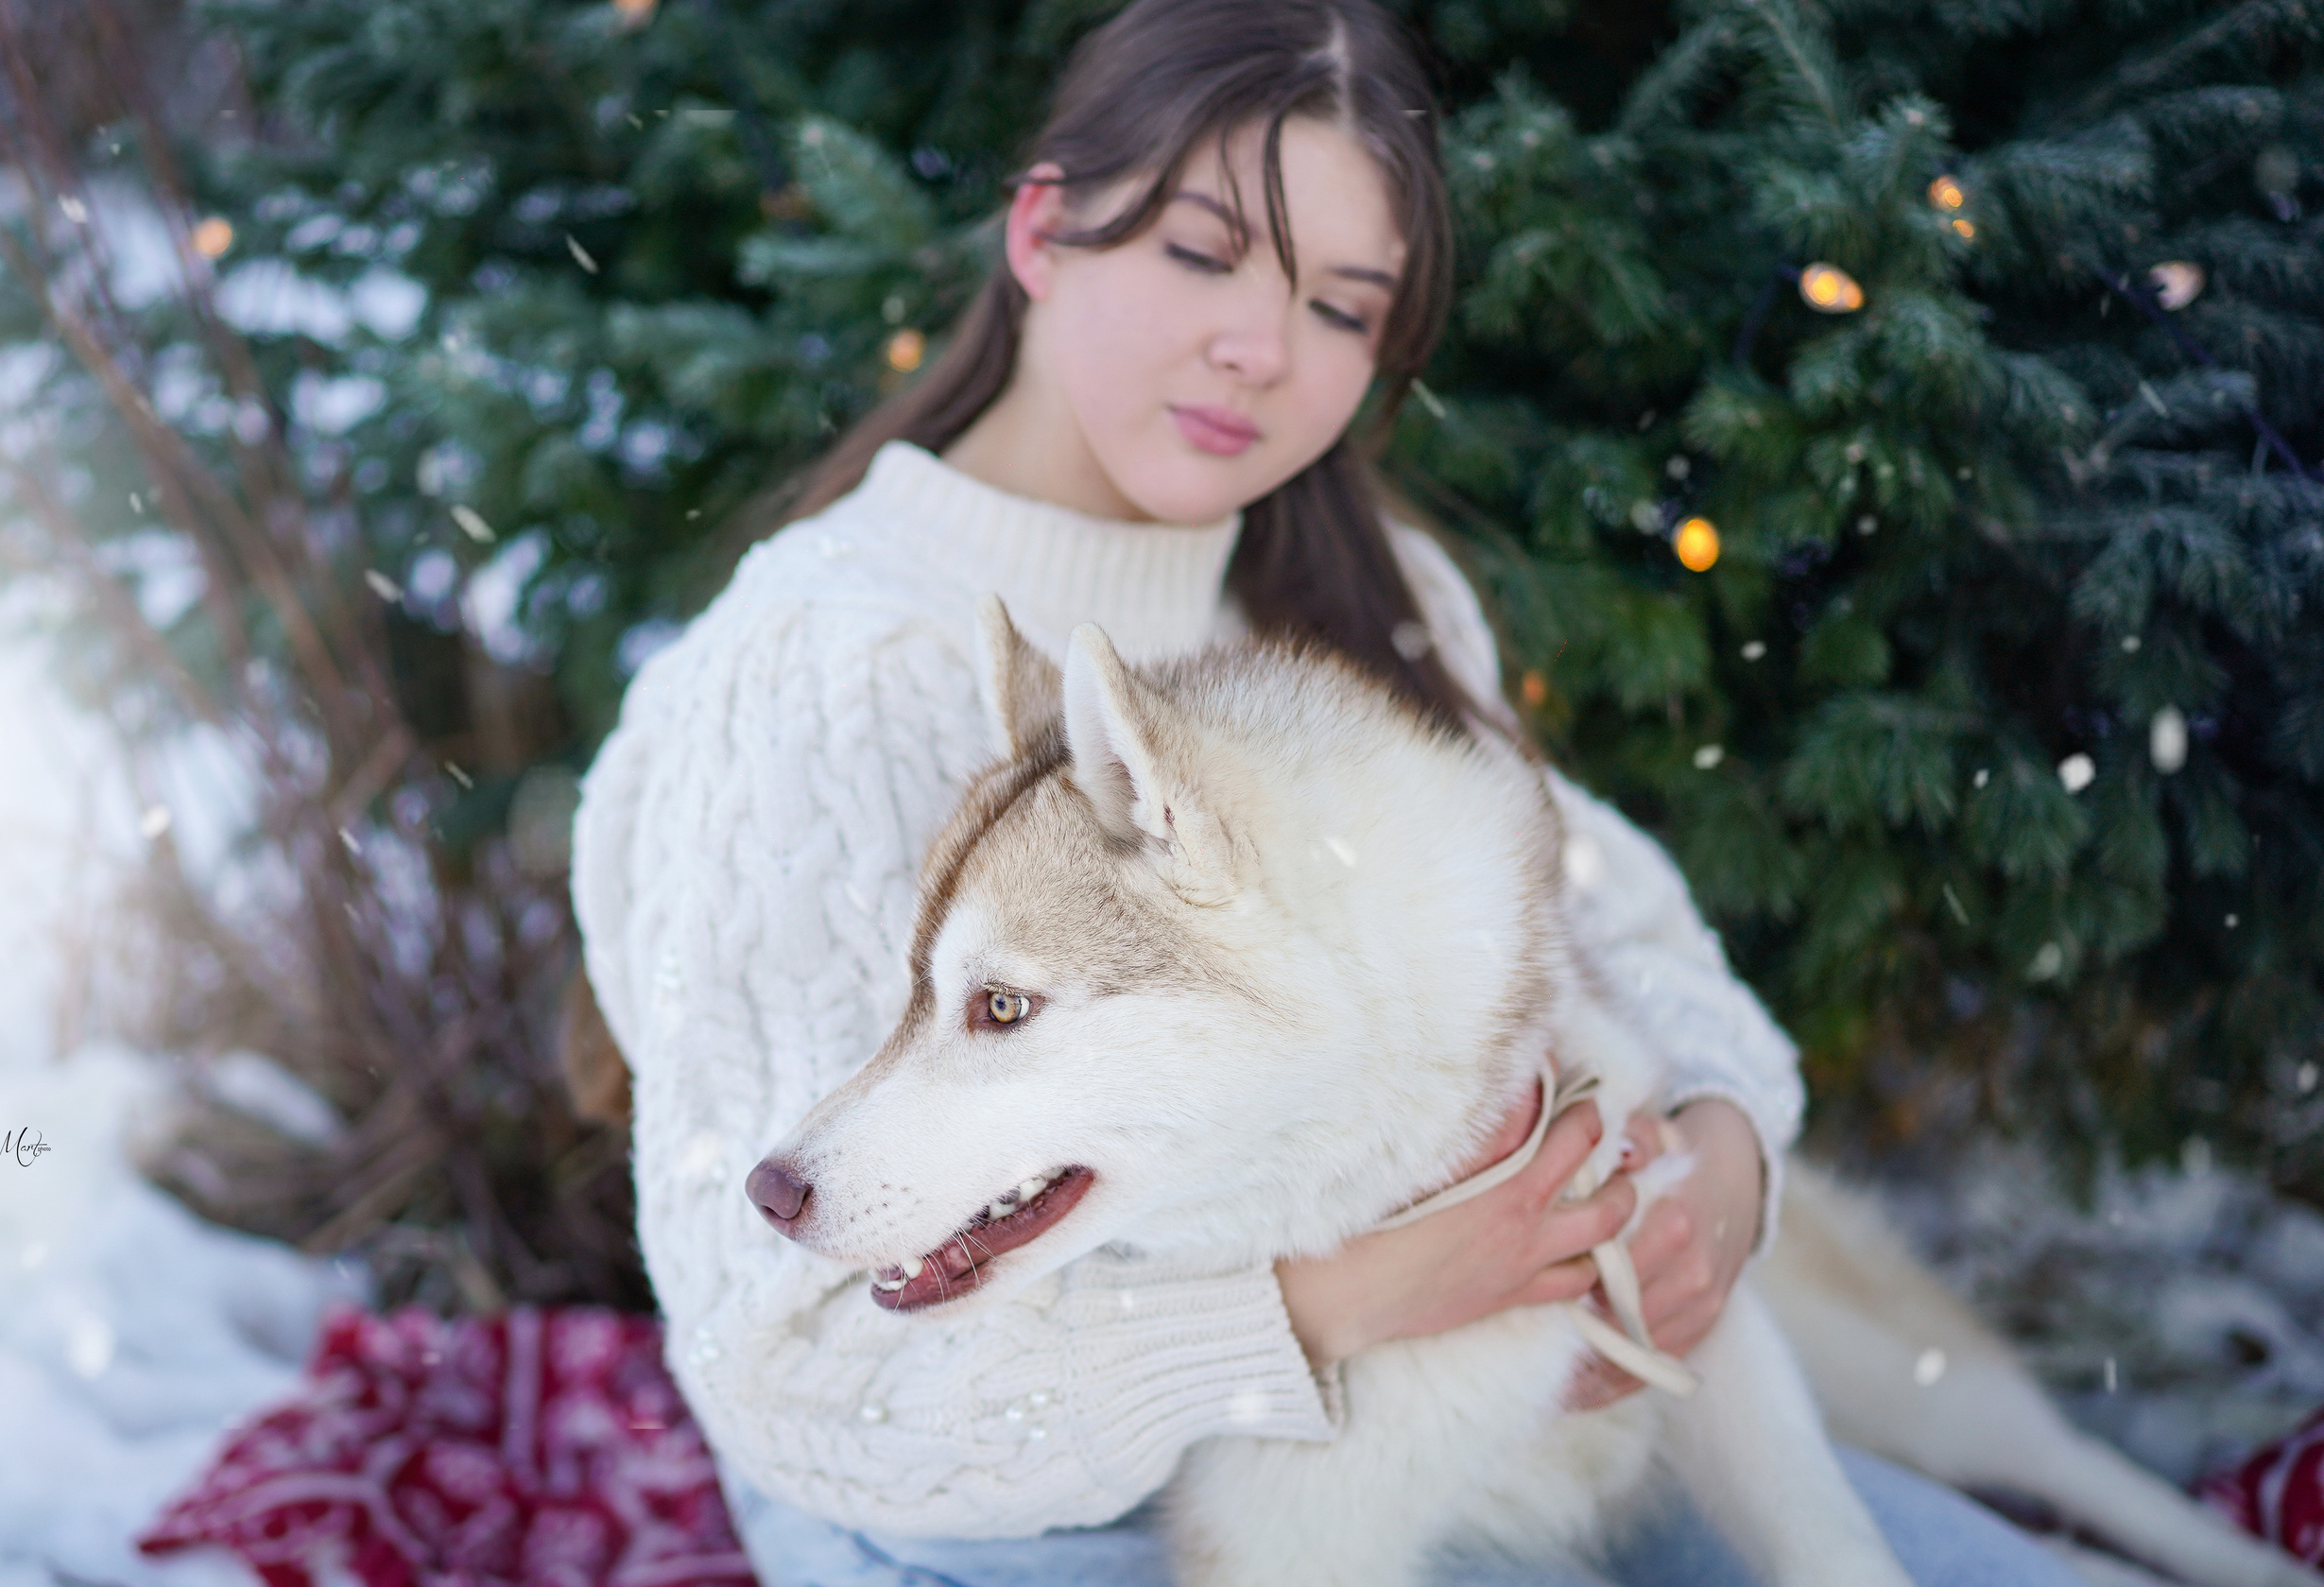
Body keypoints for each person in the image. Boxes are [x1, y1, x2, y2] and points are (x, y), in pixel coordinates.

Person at [567, 2, 2085, 1582]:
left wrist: (1719, 1163)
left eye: (1343, 307)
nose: (1264, 350)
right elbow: (803, 1377)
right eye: (1204, 253)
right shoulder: (822, 672)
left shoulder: (1366, 597)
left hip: (1488, 1416)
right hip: (1022, 1516)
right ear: (1041, 231)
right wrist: (1345, 1308)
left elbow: (1623, 934)